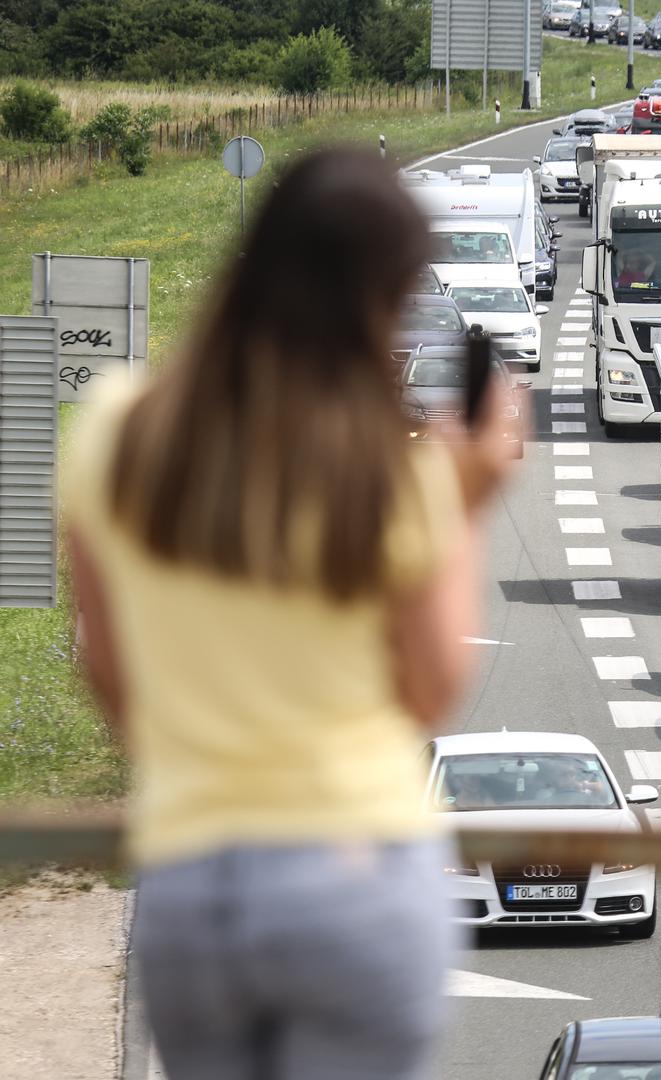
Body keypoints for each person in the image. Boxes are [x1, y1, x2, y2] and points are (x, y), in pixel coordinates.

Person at [66, 148, 517, 1080]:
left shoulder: (117, 430)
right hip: (355, 867)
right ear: (380, 301)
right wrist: (465, 505)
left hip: (193, 878)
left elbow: (106, 671)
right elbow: (431, 688)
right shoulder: (391, 473)